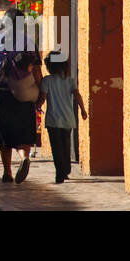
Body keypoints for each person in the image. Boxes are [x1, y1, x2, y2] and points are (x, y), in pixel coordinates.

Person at [0, 6, 43, 184]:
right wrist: (41, 92)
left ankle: (7, 171)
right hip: (23, 91)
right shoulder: (28, 42)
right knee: (23, 130)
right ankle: (23, 158)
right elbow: (36, 71)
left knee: (3, 132)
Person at [41, 50, 87, 184]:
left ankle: (59, 172)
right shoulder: (70, 81)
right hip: (68, 119)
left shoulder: (47, 81)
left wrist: (36, 106)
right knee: (66, 146)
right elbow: (77, 95)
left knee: (56, 148)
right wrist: (83, 110)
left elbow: (42, 98)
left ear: (50, 66)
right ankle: (65, 169)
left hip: (53, 120)